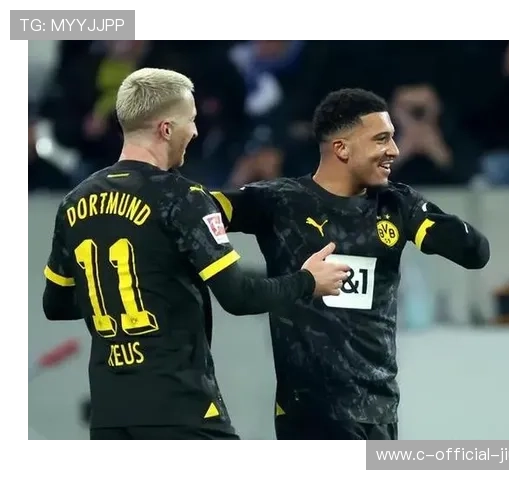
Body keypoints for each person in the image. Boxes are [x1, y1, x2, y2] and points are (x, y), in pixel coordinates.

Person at [41, 68, 350, 441]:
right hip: (179, 406)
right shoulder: (181, 197)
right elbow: (239, 296)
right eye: (191, 120)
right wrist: (308, 281)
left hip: (109, 414)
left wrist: (132, 286)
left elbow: (56, 305)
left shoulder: (75, 202)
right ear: (166, 129)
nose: (196, 131)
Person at [210, 88, 490, 440]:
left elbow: (476, 253)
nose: (395, 150)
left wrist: (428, 220)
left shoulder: (396, 205)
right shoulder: (281, 202)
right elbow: (200, 208)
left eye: (392, 138)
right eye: (381, 139)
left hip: (379, 411)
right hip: (309, 414)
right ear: (341, 149)